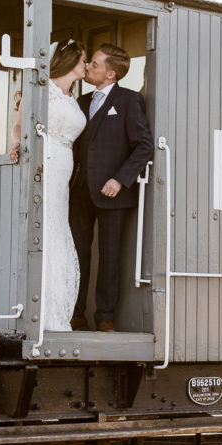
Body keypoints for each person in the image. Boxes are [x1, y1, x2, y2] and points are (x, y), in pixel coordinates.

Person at [71, 43, 153, 332]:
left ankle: (104, 317)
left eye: (94, 63)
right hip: (79, 191)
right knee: (76, 254)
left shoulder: (129, 101)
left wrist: (119, 179)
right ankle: (75, 313)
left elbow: (144, 147)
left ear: (111, 73)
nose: (89, 67)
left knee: (110, 256)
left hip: (113, 193)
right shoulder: (79, 103)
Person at [28, 40, 86, 332]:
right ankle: (42, 311)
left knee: (59, 229)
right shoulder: (42, 90)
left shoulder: (72, 97)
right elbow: (21, 125)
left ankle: (57, 310)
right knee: (47, 228)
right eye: (82, 61)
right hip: (47, 163)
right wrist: (16, 142)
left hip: (65, 167)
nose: (85, 66)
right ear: (70, 61)